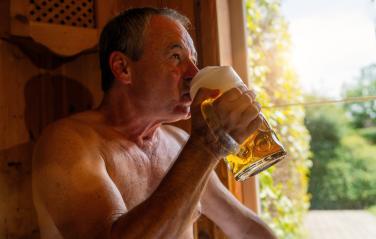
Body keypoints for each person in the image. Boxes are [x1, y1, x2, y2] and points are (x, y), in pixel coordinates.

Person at [32, 7, 277, 239]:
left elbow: (243, 228)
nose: (194, 73)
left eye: (193, 60)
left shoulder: (178, 142)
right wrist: (208, 144)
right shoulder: (68, 141)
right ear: (123, 68)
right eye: (176, 57)